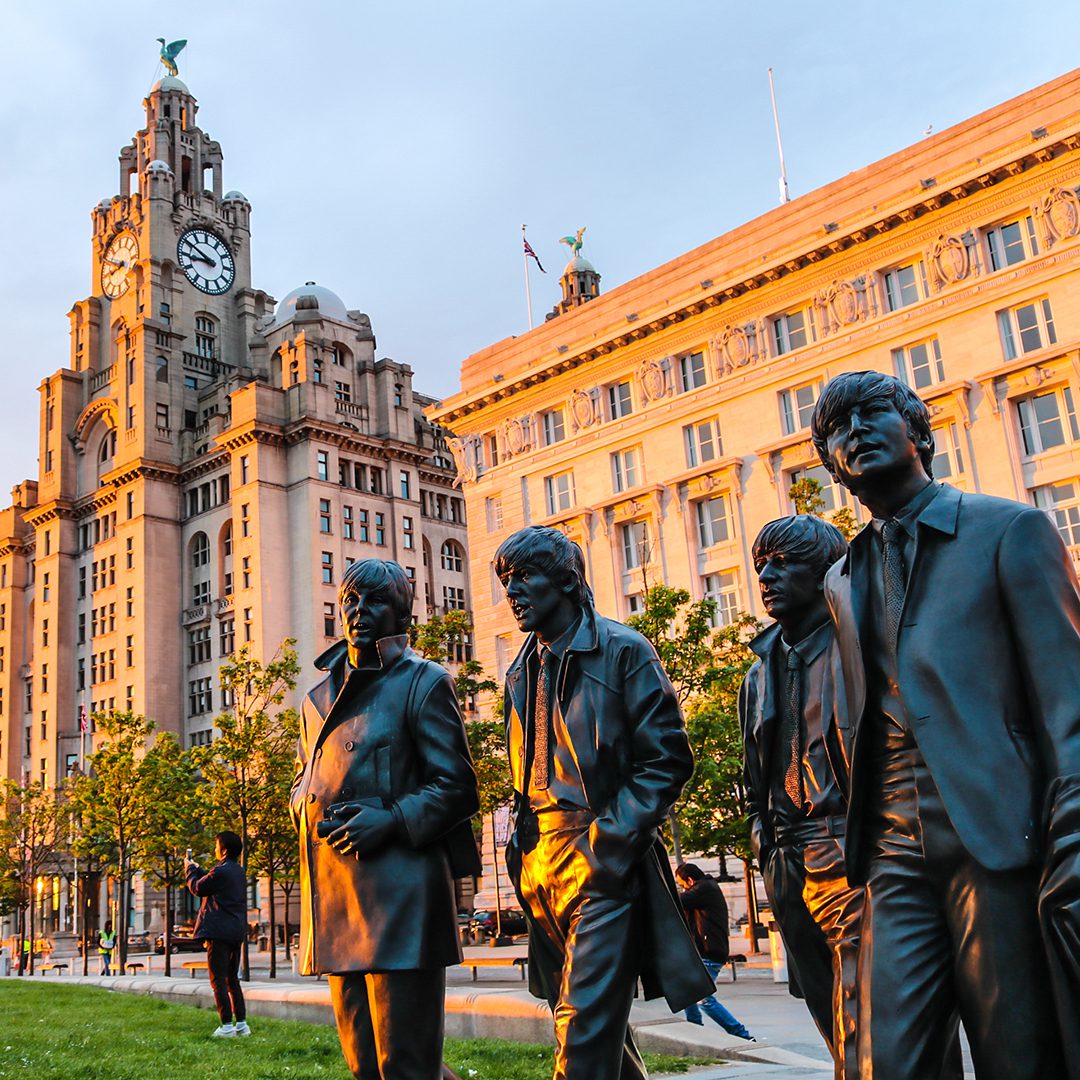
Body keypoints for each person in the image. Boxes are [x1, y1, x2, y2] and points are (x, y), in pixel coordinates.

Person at [809, 370, 1078, 1079]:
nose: (855, 433)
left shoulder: (1009, 530)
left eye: (872, 415)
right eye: (837, 429)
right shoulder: (840, 578)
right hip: (892, 846)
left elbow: (1067, 698)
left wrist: (1073, 827)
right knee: (885, 1060)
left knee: (1017, 1053)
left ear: (920, 433)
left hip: (998, 837)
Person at [494, 525, 713, 1080]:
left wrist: (608, 842)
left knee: (582, 1029)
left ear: (565, 580)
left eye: (524, 577)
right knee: (601, 1037)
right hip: (540, 863)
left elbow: (666, 760)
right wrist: (522, 854)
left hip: (600, 854)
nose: (512, 592)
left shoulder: (623, 650)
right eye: (505, 581)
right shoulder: (521, 669)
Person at [290, 558, 479, 1080]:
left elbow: (457, 787)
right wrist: (302, 797)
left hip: (401, 901)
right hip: (336, 899)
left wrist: (392, 818)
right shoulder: (316, 698)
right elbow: (310, 772)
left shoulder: (424, 682)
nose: (358, 611)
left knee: (407, 1067)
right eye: (350, 600)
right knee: (364, 1067)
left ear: (401, 612)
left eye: (374, 601)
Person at [740, 515, 862, 1077]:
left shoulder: (858, 645)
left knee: (867, 1019)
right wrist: (762, 837)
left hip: (849, 848)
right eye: (762, 563)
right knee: (831, 1017)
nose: (766, 576)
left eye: (784, 564)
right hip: (787, 858)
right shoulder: (758, 671)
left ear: (825, 574)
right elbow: (752, 777)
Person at [673, 864, 753, 1041]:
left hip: (709, 952)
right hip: (703, 952)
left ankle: (741, 1035)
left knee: (703, 998)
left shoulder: (704, 889)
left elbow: (676, 901)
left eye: (683, 885)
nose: (683, 889)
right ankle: (695, 1030)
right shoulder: (705, 888)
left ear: (690, 880)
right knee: (687, 991)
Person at [185, 831, 250, 1038]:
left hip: (219, 933)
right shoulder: (239, 871)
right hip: (235, 932)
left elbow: (197, 887)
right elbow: (214, 880)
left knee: (218, 980)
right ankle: (241, 1024)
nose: (214, 849)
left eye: (216, 846)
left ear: (223, 850)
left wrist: (189, 871)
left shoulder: (220, 872)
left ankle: (226, 1026)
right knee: (232, 979)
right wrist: (198, 869)